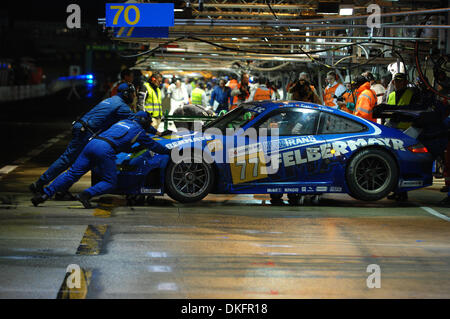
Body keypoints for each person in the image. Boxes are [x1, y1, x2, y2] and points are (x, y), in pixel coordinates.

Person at [31, 111, 172, 209]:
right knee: (110, 182)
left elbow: (120, 140)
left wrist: (131, 149)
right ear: (144, 122)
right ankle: (86, 194)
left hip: (92, 144)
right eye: (148, 122)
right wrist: (170, 151)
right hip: (105, 149)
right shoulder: (139, 131)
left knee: (72, 173)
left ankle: (44, 195)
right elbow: (154, 146)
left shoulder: (123, 122)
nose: (149, 125)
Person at [29, 83, 138, 197]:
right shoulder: (122, 106)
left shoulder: (111, 100)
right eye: (132, 94)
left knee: (76, 162)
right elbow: (138, 122)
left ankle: (60, 189)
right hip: (86, 131)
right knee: (71, 161)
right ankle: (40, 184)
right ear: (126, 94)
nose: (133, 96)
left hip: (83, 127)